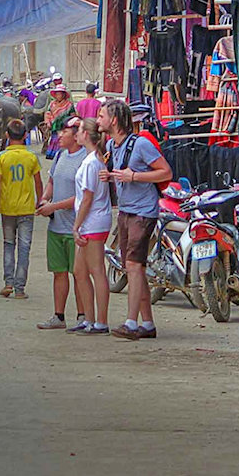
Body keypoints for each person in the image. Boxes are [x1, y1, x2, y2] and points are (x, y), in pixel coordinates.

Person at [98, 99, 173, 340]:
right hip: (126, 210)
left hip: (142, 211)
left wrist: (135, 176)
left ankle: (131, 322)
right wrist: (111, 177)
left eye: (102, 116)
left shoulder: (140, 144)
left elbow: (166, 172)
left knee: (133, 265)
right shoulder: (113, 144)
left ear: (115, 120)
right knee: (134, 267)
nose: (99, 120)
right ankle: (147, 324)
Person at [35, 117, 88, 329]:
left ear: (76, 135)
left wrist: (53, 206)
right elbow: (51, 181)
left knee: (79, 274)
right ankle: (59, 315)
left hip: (76, 227)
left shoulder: (87, 160)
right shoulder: (59, 156)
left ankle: (83, 315)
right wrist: (45, 199)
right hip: (56, 226)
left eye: (63, 132)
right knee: (59, 272)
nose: (59, 136)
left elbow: (83, 196)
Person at [65, 119, 114, 335]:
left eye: (80, 130)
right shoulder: (94, 161)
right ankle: (89, 318)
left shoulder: (91, 163)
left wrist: (76, 226)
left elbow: (87, 198)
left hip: (92, 221)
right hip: (92, 220)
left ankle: (100, 321)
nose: (76, 134)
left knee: (96, 270)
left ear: (87, 135)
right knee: (80, 271)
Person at [0, 119, 42, 299]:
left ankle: (8, 283)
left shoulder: (1, 157)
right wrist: (40, 201)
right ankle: (20, 289)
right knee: (24, 247)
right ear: (26, 136)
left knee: (8, 244)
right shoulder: (31, 157)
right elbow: (38, 182)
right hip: (27, 209)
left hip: (7, 209)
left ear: (7, 135)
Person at [43, 84, 76, 160]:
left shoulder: (69, 105)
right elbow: (48, 114)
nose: (58, 95)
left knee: (63, 141)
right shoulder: (52, 104)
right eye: (57, 93)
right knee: (54, 140)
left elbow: (73, 116)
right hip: (54, 127)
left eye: (60, 93)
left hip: (64, 127)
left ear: (64, 95)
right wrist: (48, 122)